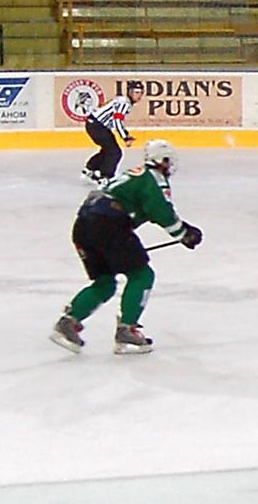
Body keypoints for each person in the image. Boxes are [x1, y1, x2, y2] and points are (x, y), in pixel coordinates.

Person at [51, 139, 203, 355]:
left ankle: (68, 323)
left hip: (83, 226)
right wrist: (184, 234)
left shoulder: (133, 174)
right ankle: (127, 331)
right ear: (163, 161)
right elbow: (160, 211)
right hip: (109, 226)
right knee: (142, 276)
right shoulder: (154, 179)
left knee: (104, 283)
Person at [82, 81, 144, 183]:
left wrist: (125, 133)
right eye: (136, 92)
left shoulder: (122, 100)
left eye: (141, 93)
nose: (139, 96)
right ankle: (106, 177)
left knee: (108, 149)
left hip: (94, 124)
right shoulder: (124, 103)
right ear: (129, 92)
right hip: (97, 126)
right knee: (115, 152)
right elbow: (117, 120)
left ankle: (90, 167)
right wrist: (125, 137)